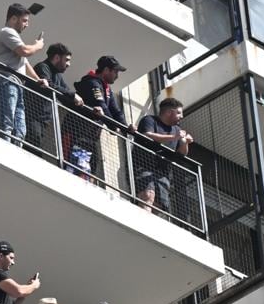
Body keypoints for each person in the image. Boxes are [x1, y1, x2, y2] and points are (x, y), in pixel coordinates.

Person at [0, 3, 46, 143]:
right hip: (6, 80)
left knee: (20, 130)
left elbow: (24, 62)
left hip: (15, 83)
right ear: (14, 18)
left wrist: (37, 79)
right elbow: (25, 51)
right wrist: (38, 46)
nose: (27, 25)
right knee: (7, 123)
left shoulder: (14, 36)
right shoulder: (7, 32)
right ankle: (3, 149)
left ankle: (14, 149)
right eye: (24, 20)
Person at [72, 55, 129, 184]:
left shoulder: (106, 89)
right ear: (106, 70)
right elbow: (101, 105)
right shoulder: (92, 83)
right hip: (77, 134)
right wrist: (113, 127)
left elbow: (116, 111)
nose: (117, 76)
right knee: (76, 168)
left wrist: (127, 129)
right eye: (115, 72)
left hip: (91, 137)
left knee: (90, 170)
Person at [134, 98, 193, 219]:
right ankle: (142, 223)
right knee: (148, 195)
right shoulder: (149, 120)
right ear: (169, 112)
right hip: (144, 165)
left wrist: (185, 142)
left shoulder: (176, 130)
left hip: (163, 173)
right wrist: (174, 137)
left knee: (158, 205)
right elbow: (147, 135)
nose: (181, 116)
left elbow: (182, 153)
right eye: (179, 113)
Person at [26, 42, 85, 151]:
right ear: (57, 57)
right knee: (32, 148)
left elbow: (66, 94)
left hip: (42, 121)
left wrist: (88, 108)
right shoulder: (42, 67)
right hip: (31, 117)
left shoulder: (58, 76)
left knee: (35, 148)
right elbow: (49, 85)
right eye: (67, 60)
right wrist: (73, 95)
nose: (69, 64)